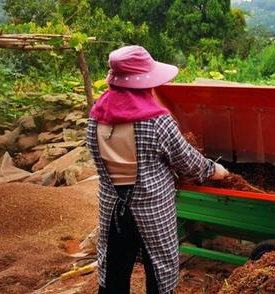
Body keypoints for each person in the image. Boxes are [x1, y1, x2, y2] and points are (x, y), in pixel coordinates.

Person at [86, 45, 229, 294]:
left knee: (113, 274)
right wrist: (214, 169)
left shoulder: (96, 116)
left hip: (112, 211)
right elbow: (188, 162)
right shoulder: (156, 121)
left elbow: (97, 158)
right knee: (159, 271)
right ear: (144, 83)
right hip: (152, 212)